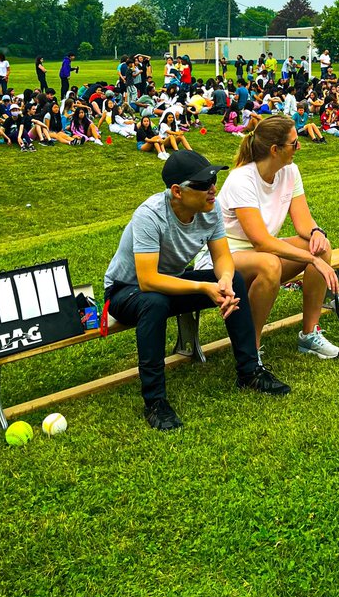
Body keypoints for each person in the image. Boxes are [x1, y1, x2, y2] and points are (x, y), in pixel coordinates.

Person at [104, 150, 291, 430]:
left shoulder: (210, 208)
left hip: (172, 281)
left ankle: (249, 371)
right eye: (203, 184)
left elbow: (222, 258)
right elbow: (147, 280)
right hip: (126, 292)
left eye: (214, 180)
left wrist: (225, 280)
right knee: (153, 302)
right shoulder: (149, 215)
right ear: (177, 191)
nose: (212, 189)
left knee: (236, 279)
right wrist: (205, 287)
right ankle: (156, 402)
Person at [198, 116, 339, 360]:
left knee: (321, 247)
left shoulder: (290, 172)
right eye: (294, 144)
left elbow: (304, 222)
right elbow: (261, 242)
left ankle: (309, 334)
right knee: (271, 263)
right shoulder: (241, 179)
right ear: (275, 150)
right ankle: (250, 350)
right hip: (221, 261)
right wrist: (312, 260)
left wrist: (316, 233)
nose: (299, 147)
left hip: (260, 256)